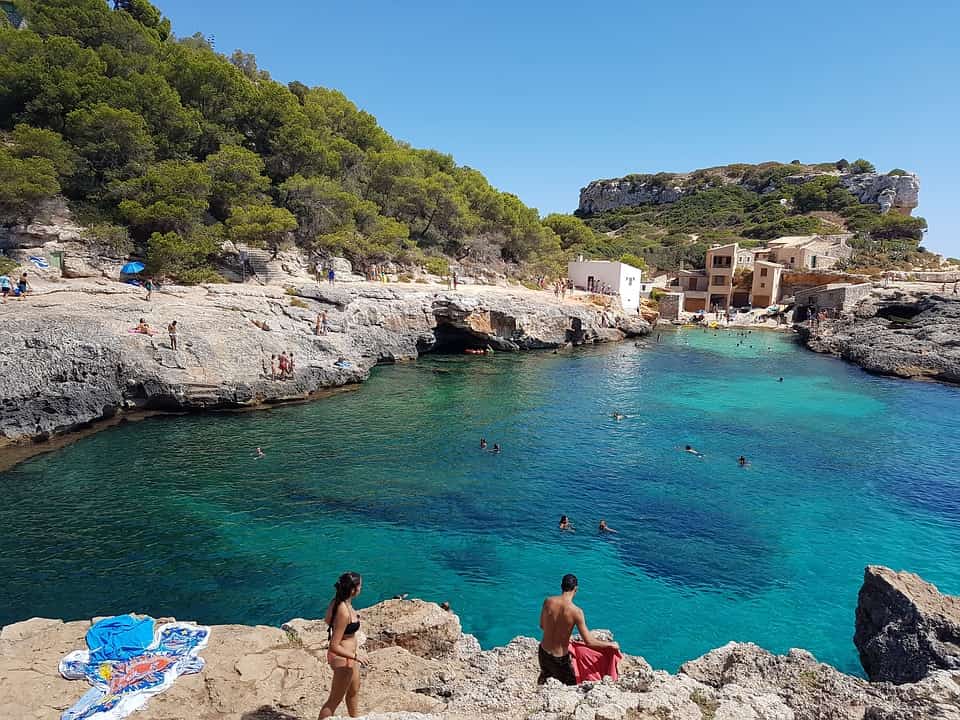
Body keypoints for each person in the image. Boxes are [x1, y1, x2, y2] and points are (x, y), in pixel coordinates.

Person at [537, 574, 619, 685]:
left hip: (543, 652)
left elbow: (542, 626)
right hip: (559, 659)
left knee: (545, 677)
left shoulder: (548, 601)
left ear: (561, 586)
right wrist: (610, 645)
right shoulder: (576, 612)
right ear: (576, 589)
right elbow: (589, 642)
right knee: (571, 687)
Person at [319, 572, 368, 719]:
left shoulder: (338, 601)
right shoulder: (344, 612)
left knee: (353, 691)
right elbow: (334, 646)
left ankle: (355, 717)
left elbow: (327, 619)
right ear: (353, 589)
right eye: (360, 586)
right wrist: (355, 656)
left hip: (348, 657)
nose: (361, 588)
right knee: (334, 700)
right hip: (343, 658)